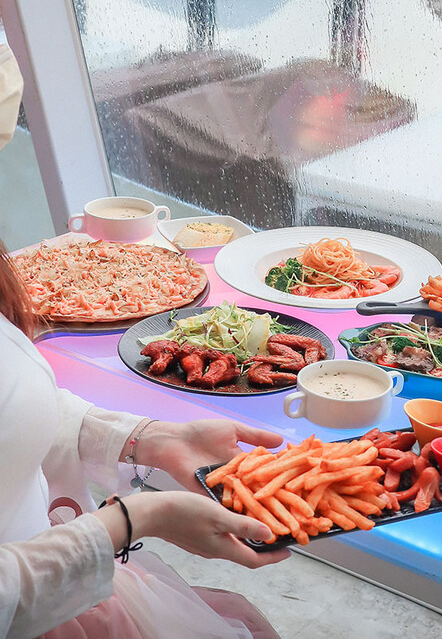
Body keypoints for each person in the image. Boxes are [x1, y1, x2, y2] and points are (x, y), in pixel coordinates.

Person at [0, 41, 290, 638]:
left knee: (241, 621)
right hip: (32, 596)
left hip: (51, 574)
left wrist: (148, 439)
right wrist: (136, 518)